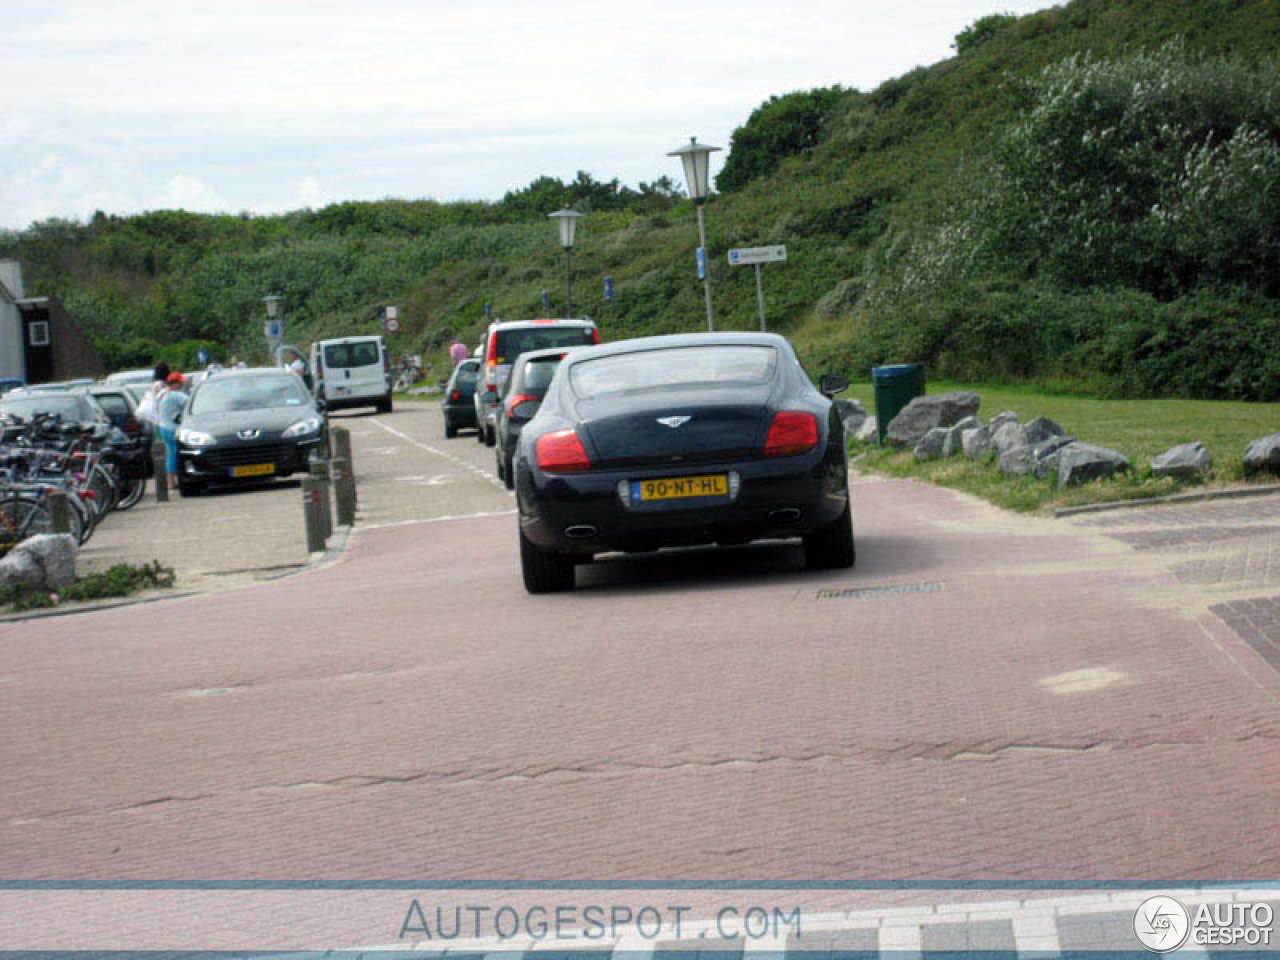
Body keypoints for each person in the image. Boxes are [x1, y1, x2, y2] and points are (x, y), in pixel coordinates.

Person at [157, 372, 189, 489]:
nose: (181, 385)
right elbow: (190, 402)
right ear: (174, 383)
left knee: (170, 454)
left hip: (163, 427)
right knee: (176, 455)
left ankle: (170, 482)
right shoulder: (176, 395)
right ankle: (176, 480)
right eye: (180, 383)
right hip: (173, 429)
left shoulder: (163, 393)